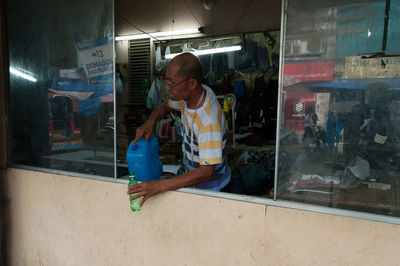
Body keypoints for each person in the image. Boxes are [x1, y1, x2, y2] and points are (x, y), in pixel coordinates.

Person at [127, 53, 231, 207]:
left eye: (171, 83)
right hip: (192, 179)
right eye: (166, 81)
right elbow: (164, 107)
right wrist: (150, 122)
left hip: (212, 190)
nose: (167, 87)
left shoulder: (208, 121)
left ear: (192, 83)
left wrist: (159, 185)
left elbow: (206, 172)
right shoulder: (189, 98)